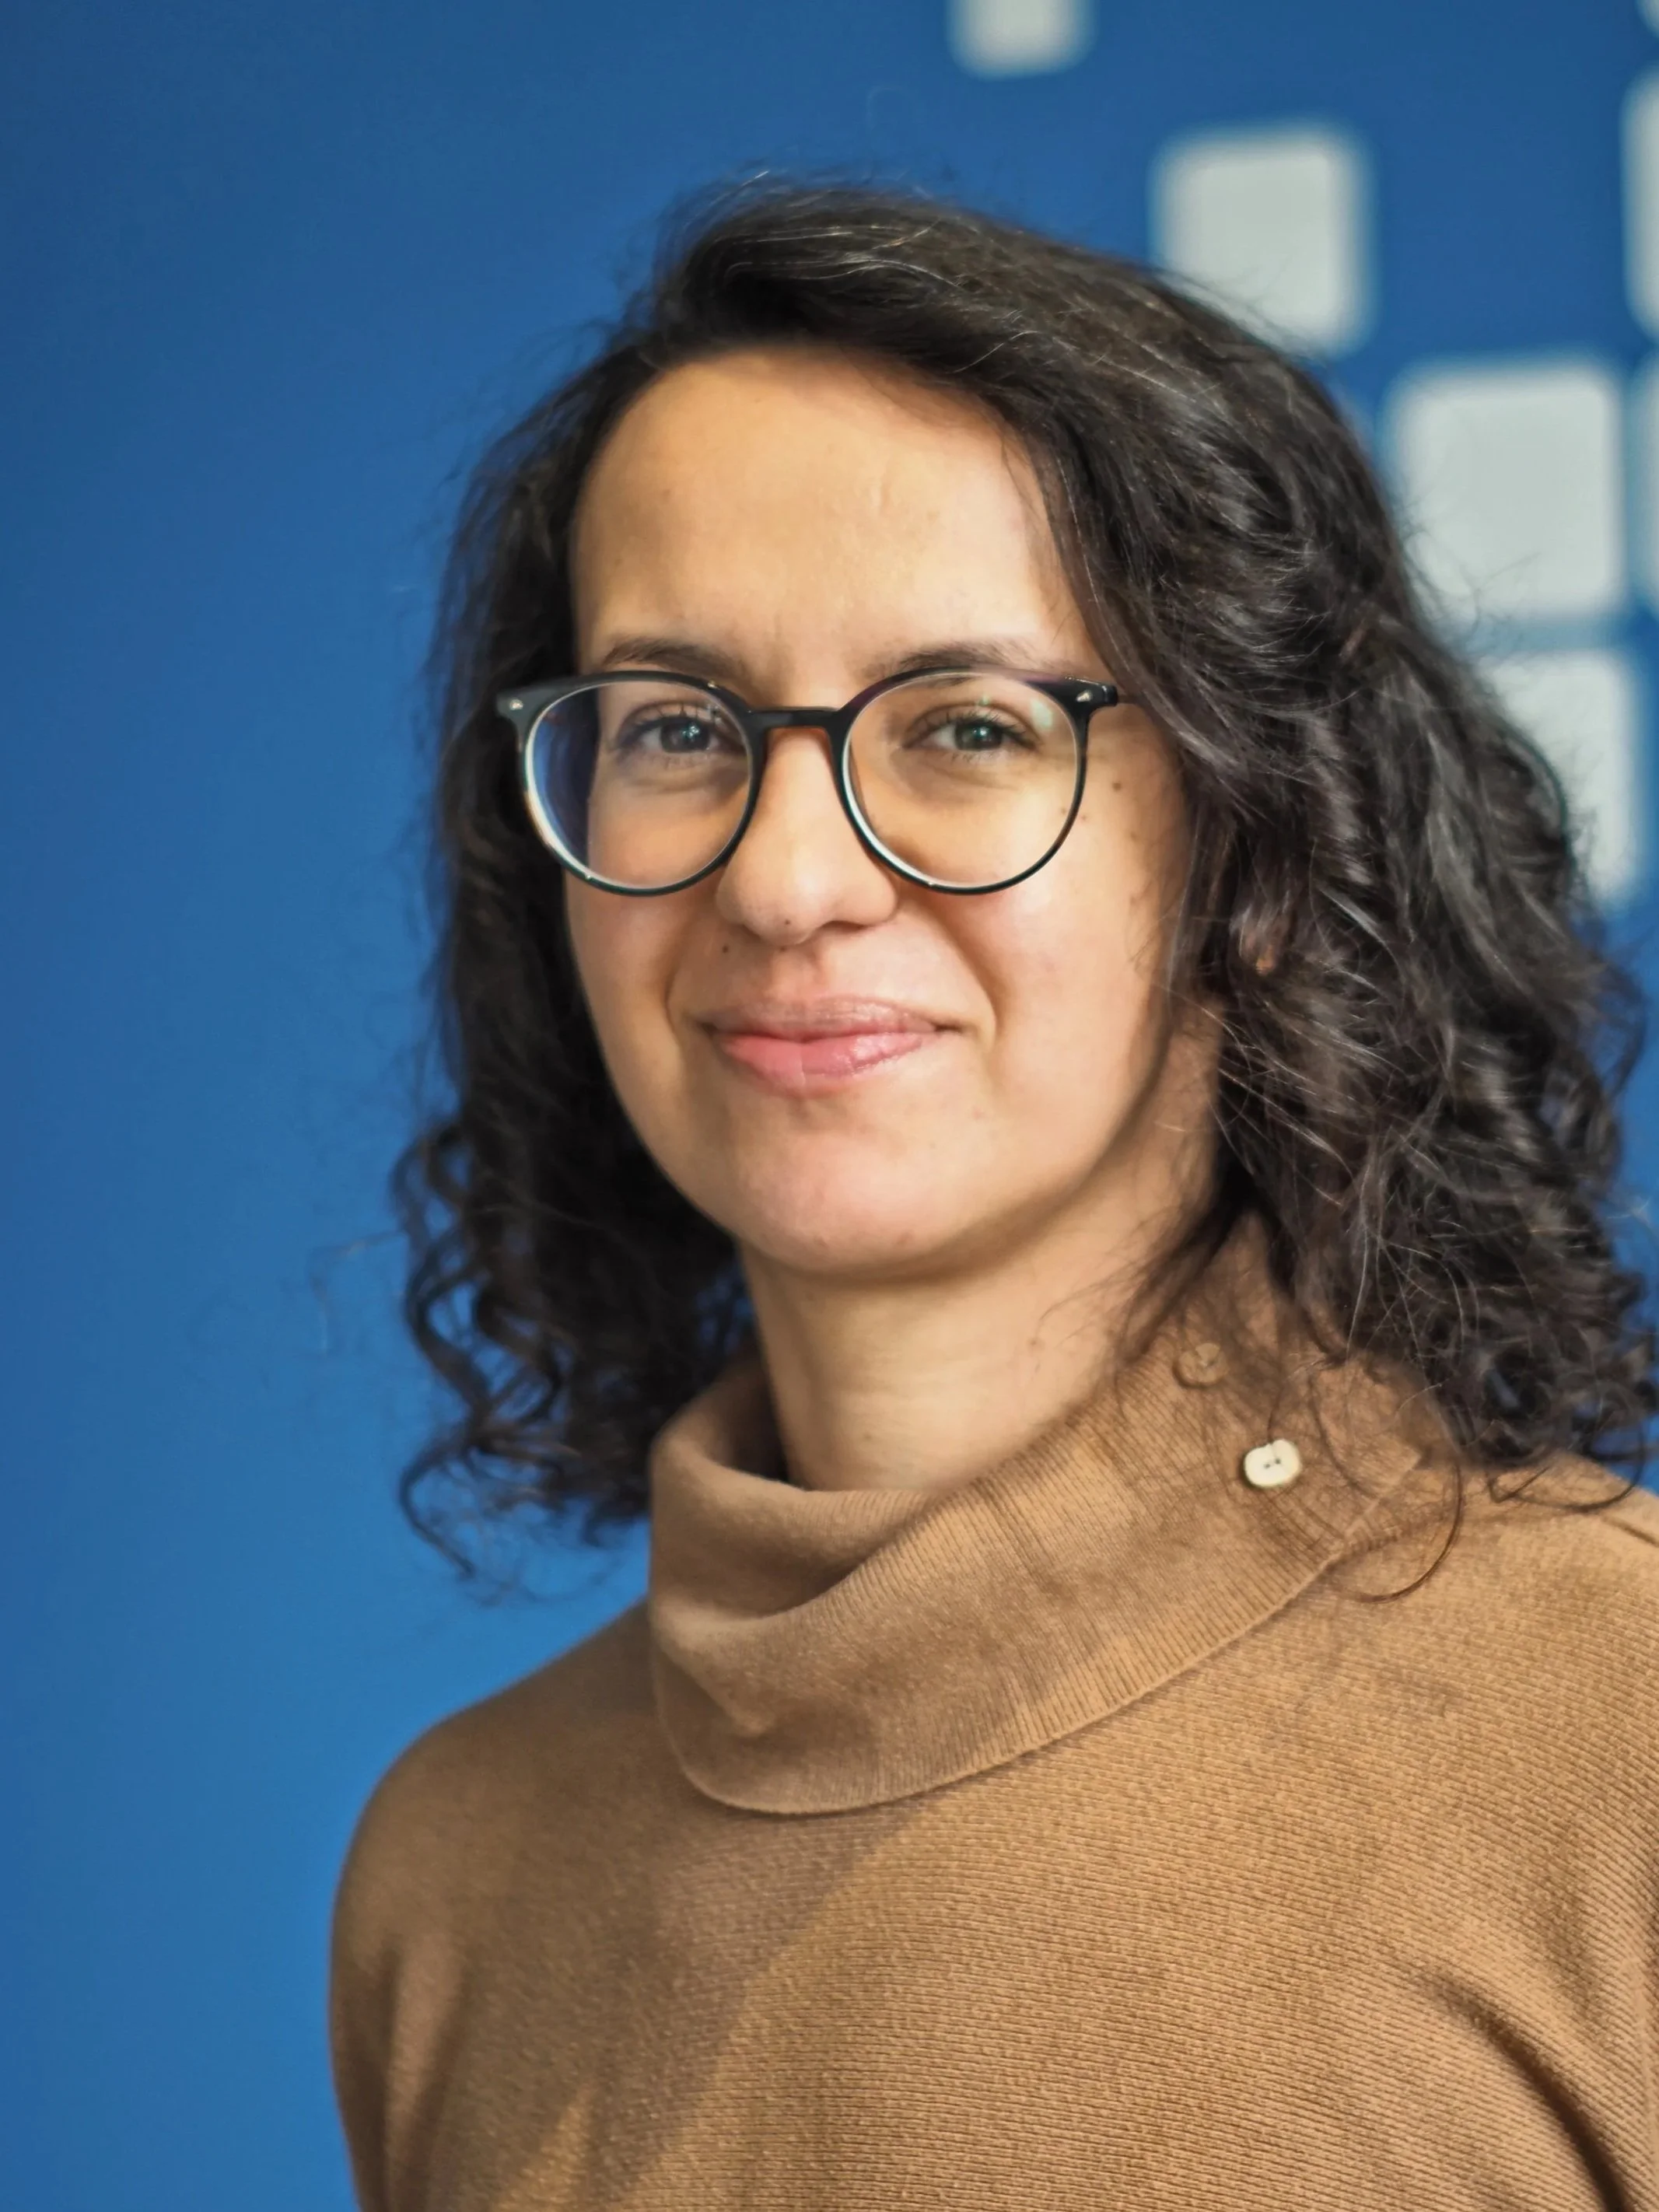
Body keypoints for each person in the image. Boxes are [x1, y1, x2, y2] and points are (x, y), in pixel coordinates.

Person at [329, 182, 1659, 2211]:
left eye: (966, 726)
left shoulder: (1612, 1730)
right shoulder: (454, 1883)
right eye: (675, 728)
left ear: (1258, 853)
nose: (785, 878)